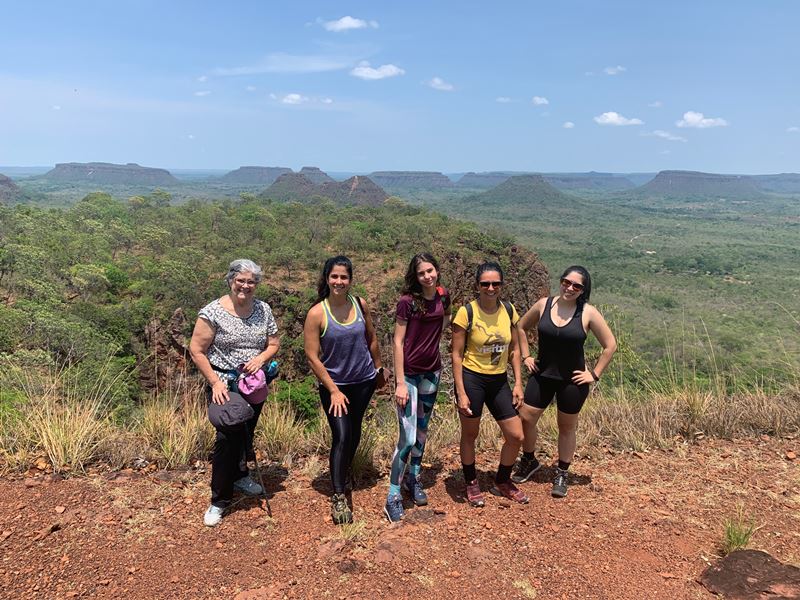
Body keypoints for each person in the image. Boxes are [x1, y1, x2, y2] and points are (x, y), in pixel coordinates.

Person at [189, 259, 280, 527]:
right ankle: (219, 500)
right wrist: (215, 382)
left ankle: (241, 476)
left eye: (251, 281)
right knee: (227, 438)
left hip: (254, 383)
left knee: (246, 432)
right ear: (230, 280)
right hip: (224, 384)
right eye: (241, 280)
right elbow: (196, 350)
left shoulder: (263, 310)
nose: (246, 285)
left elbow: (273, 343)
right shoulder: (213, 312)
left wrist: (261, 359)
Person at [512, 265, 617, 498]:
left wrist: (594, 374)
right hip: (543, 374)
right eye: (566, 282)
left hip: (573, 380)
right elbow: (520, 326)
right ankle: (529, 460)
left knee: (566, 427)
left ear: (583, 290)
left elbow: (610, 345)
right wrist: (526, 355)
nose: (570, 288)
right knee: (526, 418)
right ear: (560, 281)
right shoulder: (544, 305)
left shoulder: (588, 312)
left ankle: (562, 471)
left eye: (576, 285)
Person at [304, 256, 387, 525]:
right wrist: (333, 391)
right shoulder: (318, 313)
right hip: (335, 385)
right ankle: (339, 494)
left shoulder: (359, 304)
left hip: (363, 381)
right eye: (334, 277)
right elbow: (312, 356)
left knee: (354, 431)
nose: (339, 282)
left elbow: (371, 338)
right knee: (341, 434)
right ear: (326, 278)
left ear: (350, 280)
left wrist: (378, 369)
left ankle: (346, 470)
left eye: (344, 277)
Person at [451, 261, 528, 506]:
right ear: (478, 285)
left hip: (498, 380)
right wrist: (461, 393)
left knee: (516, 436)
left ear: (502, 286)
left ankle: (502, 480)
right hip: (472, 378)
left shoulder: (508, 310)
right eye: (485, 283)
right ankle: (471, 482)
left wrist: (518, 383)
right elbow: (456, 354)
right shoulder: (466, 313)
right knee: (470, 434)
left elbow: (515, 349)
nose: (491, 288)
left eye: (496, 283)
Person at [385, 253, 450, 522]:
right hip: (409, 376)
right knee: (407, 437)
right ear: (416, 275)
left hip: (431, 372)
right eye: (422, 272)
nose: (428, 276)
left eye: (431, 270)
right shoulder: (407, 302)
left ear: (437, 270)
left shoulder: (443, 296)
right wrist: (399, 382)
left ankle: (414, 478)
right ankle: (393, 495)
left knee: (422, 432)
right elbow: (397, 342)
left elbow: (443, 323)